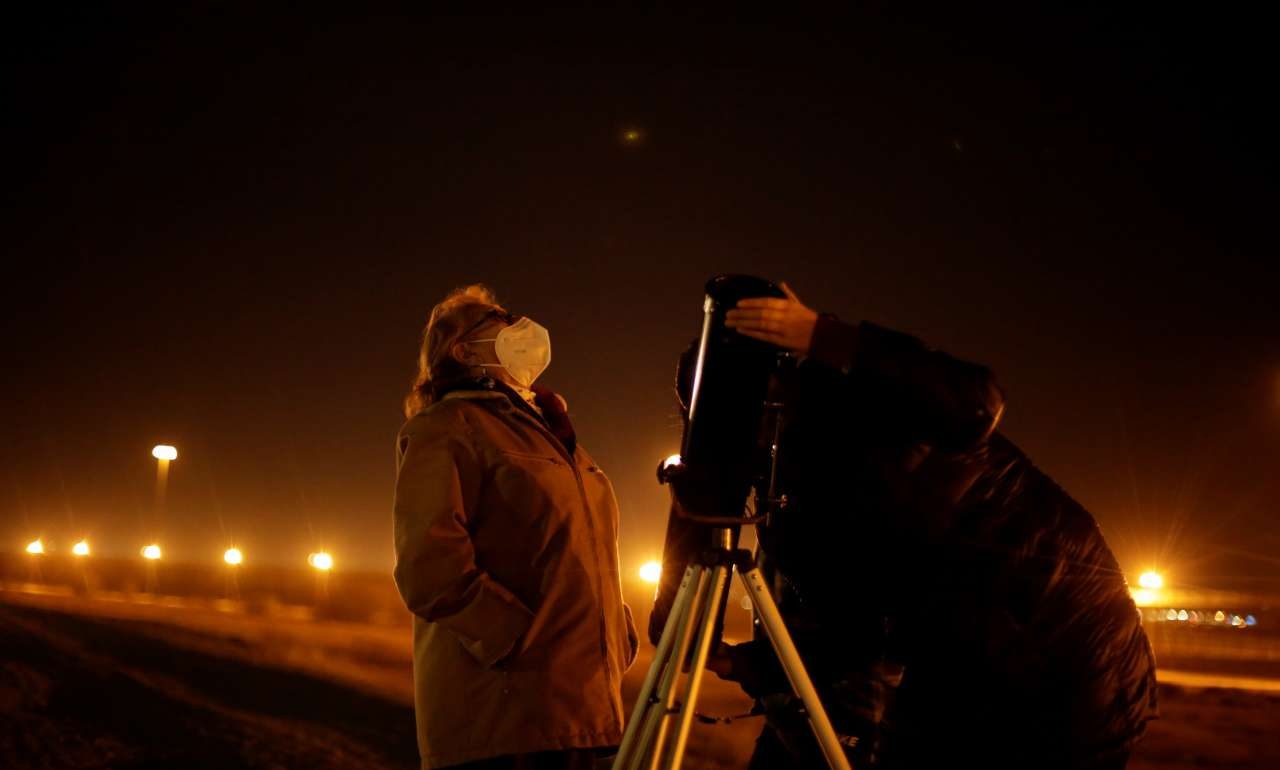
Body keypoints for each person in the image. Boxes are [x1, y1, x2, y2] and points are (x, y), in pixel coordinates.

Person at [653, 282, 1157, 769]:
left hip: (1065, 664)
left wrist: (826, 337)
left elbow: (976, 402)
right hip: (960, 659)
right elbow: (856, 627)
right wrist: (747, 664)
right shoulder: (788, 487)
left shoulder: (862, 407)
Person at [393, 285, 638, 770]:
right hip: (504, 715)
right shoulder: (447, 426)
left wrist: (616, 632)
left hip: (576, 703)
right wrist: (516, 638)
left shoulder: (549, 432)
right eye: (498, 320)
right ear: (463, 350)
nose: (516, 328)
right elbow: (430, 566)